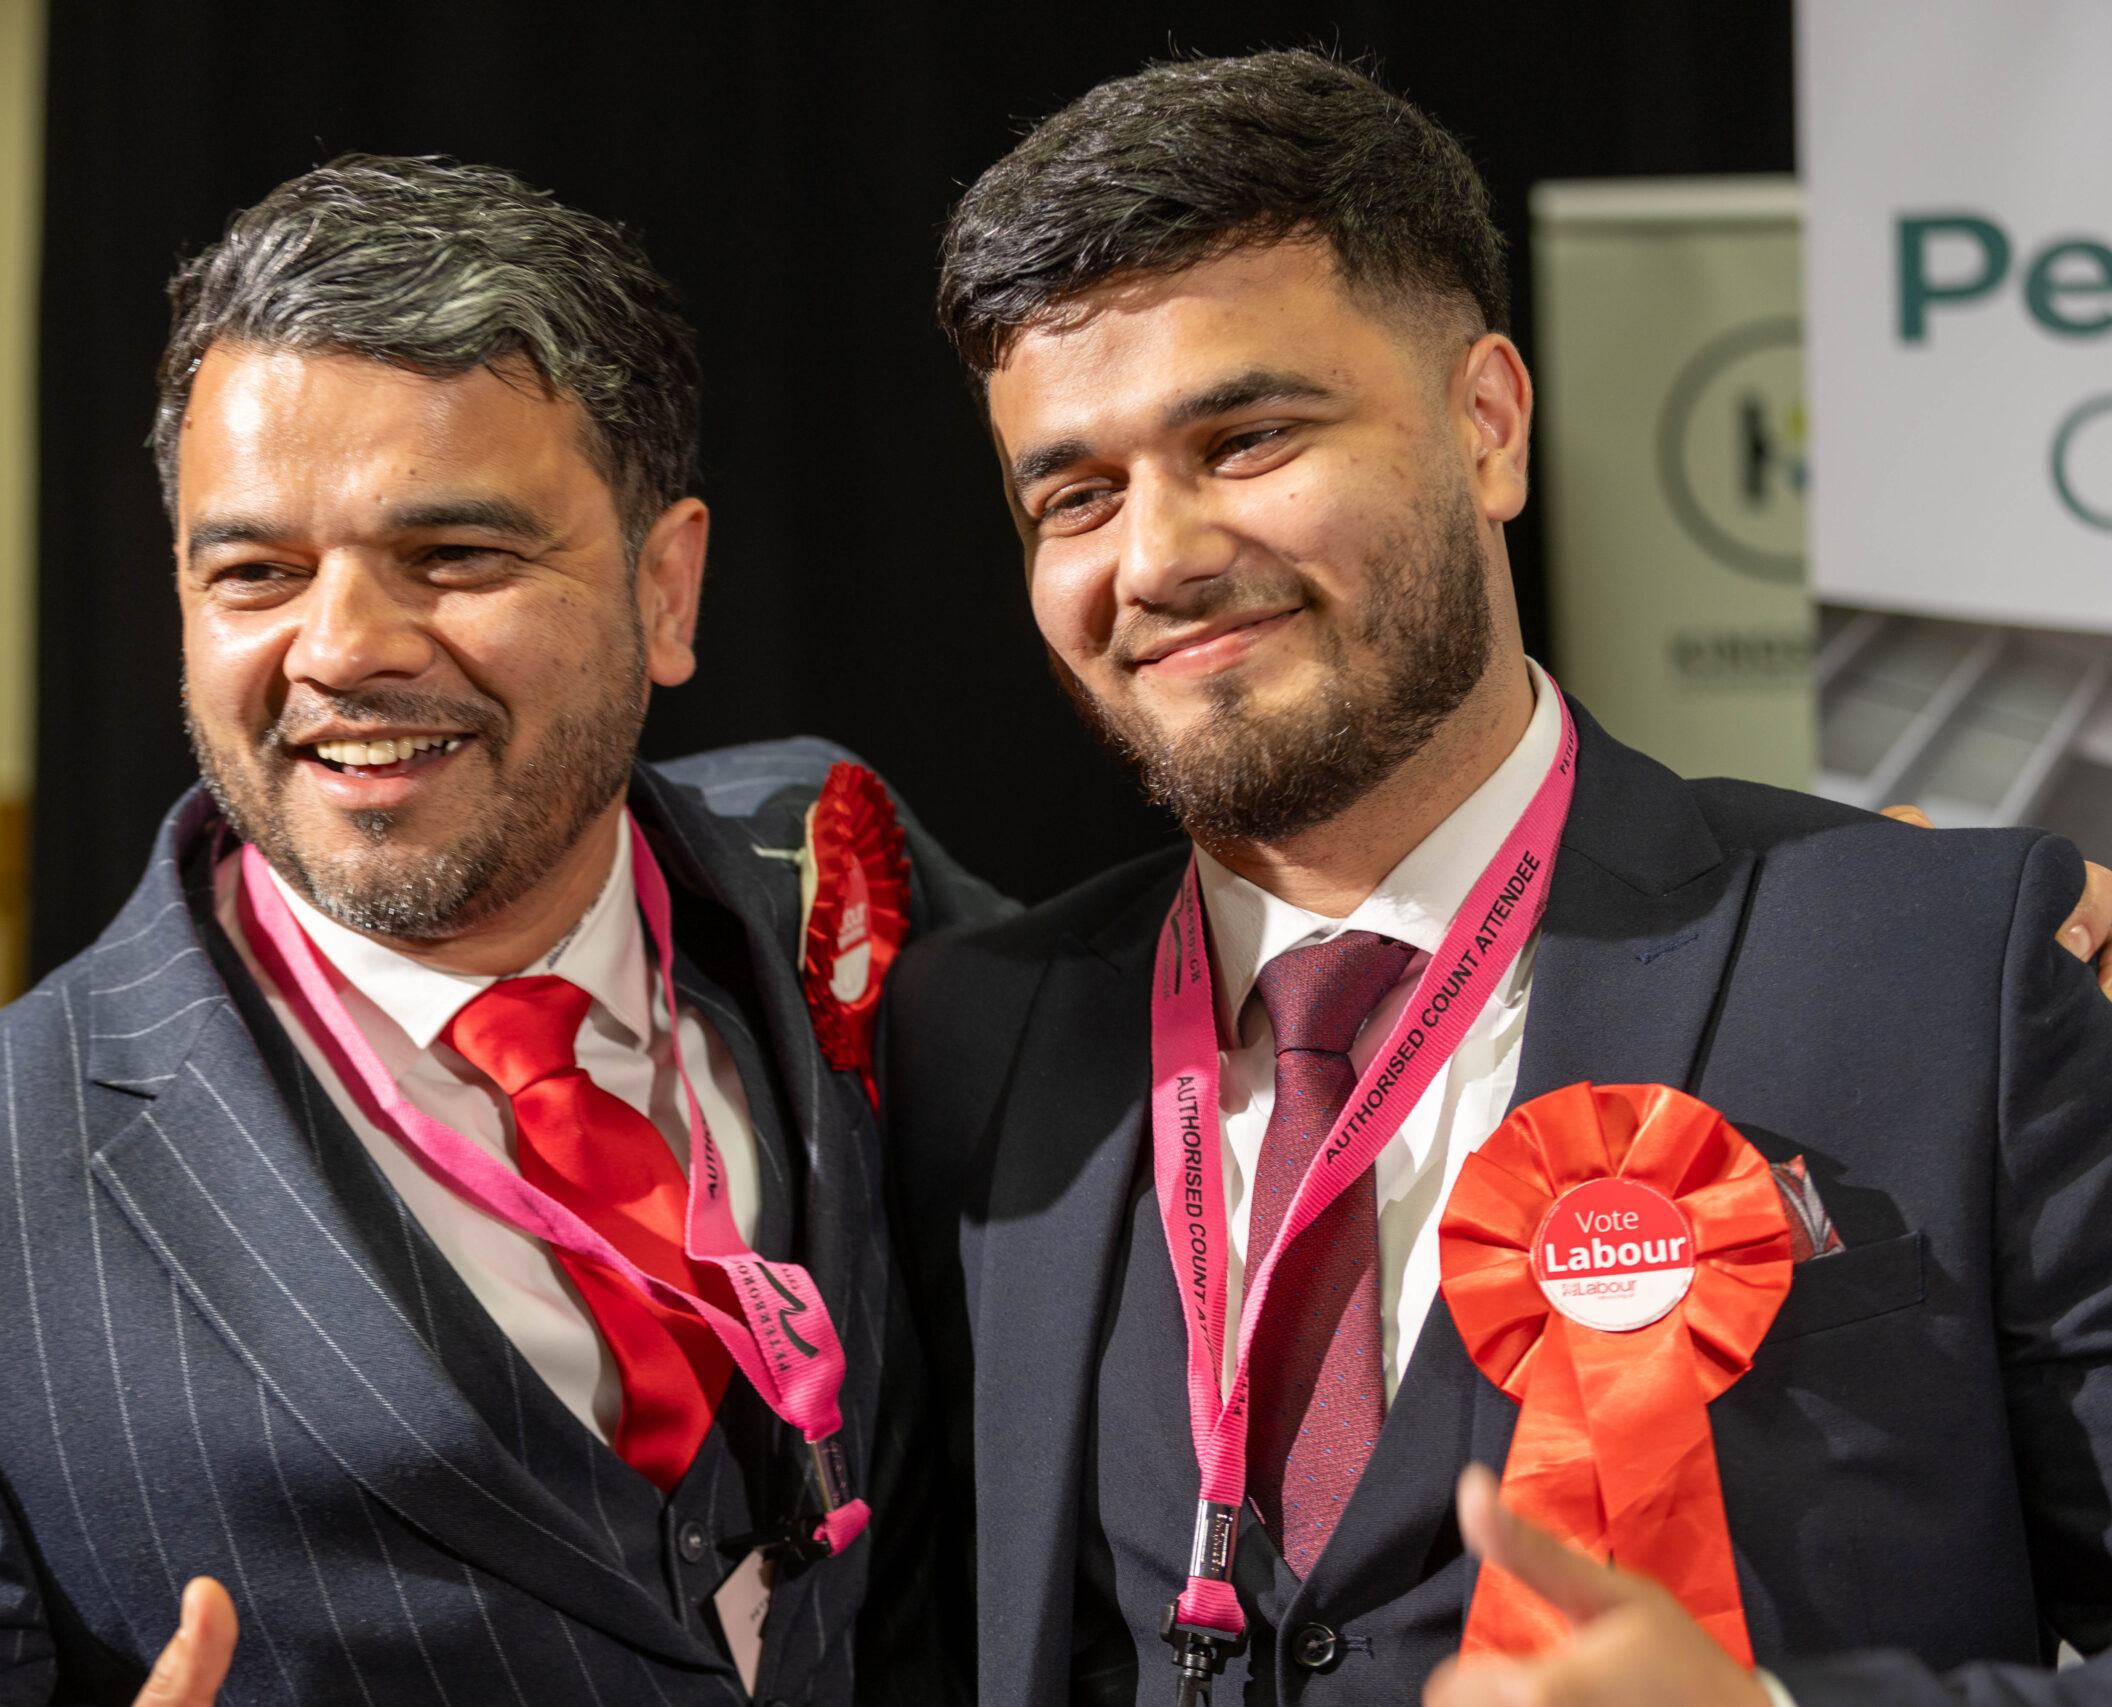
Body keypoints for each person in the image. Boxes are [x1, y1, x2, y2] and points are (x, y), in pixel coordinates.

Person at [0, 157, 1002, 1707]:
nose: (344, 648)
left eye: (456, 557)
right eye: (257, 573)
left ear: (666, 588)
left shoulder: (834, 862)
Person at [884, 50, 2112, 1707]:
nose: (1158, 557)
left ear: (1488, 427)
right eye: (1077, 495)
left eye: (1247, 438)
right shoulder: (973, 1041)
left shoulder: (1944, 962)